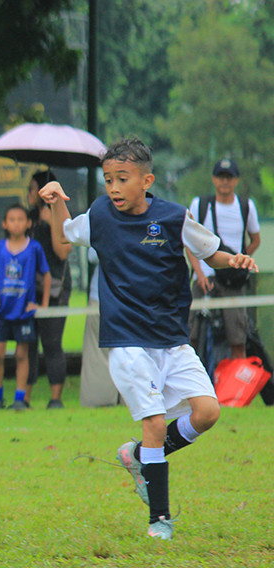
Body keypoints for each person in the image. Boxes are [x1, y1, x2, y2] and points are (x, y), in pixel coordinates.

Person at [41, 137, 258, 540]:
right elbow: (63, 239)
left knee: (208, 412)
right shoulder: (101, 214)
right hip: (126, 340)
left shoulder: (175, 217)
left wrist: (235, 259)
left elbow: (212, 253)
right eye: (108, 180)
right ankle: (160, 519)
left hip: (171, 340)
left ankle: (139, 457)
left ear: (147, 180)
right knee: (155, 423)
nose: (113, 188)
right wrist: (56, 203)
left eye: (122, 179)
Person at [187, 158, 262, 362]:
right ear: (214, 179)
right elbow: (190, 243)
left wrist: (240, 262)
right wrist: (199, 274)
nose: (225, 182)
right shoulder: (200, 205)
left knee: (238, 339)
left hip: (232, 281)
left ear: (236, 180)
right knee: (191, 338)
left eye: (229, 177)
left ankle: (236, 392)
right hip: (205, 279)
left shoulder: (246, 206)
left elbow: (255, 240)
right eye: (221, 177)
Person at [0, 204, 50, 411]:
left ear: (28, 223)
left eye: (20, 219)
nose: (16, 223)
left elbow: (46, 274)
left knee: (22, 355)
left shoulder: (34, 248)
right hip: (3, 310)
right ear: (5, 224)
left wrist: (43, 303)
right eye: (12, 219)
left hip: (23, 310)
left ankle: (19, 399)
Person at [25, 170, 72, 409]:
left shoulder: (57, 213)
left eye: (33, 188)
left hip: (56, 288)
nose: (29, 194)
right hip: (29, 290)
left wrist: (51, 219)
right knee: (28, 342)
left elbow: (63, 252)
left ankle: (56, 398)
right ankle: (24, 397)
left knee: (52, 343)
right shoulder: (28, 218)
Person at [79, 248, 121, 407]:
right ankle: (100, 400)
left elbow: (93, 254)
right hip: (107, 296)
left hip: (112, 297)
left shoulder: (103, 224)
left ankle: (100, 400)